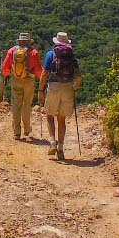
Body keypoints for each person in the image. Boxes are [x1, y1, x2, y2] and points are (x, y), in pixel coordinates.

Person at [39, 31, 81, 160]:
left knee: (49, 115)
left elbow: (44, 73)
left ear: (56, 43)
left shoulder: (51, 54)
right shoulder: (71, 56)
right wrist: (74, 88)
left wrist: (40, 90)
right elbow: (78, 77)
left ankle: (52, 142)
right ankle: (61, 149)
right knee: (61, 119)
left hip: (53, 86)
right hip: (67, 87)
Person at [0, 32, 42, 140]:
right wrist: (42, 80)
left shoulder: (12, 51)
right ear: (29, 42)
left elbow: (4, 70)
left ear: (19, 41)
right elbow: (38, 71)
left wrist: (7, 74)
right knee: (26, 105)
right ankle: (27, 129)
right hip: (29, 81)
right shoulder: (34, 52)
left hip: (16, 80)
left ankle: (16, 132)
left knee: (16, 105)